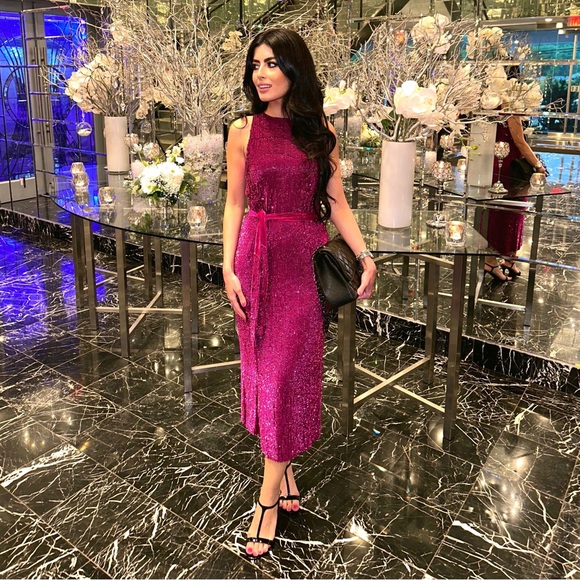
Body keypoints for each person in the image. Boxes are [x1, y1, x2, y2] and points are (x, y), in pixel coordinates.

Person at [222, 28, 376, 559]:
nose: (261, 74)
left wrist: (365, 255)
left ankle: (266, 498)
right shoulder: (242, 130)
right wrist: (227, 267)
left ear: (295, 69)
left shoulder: (320, 131)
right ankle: (283, 471)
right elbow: (234, 204)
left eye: (272, 63)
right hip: (255, 259)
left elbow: (337, 203)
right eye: (255, 64)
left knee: (287, 373)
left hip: (301, 264)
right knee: (265, 374)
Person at [483, 115, 547, 282]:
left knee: (510, 210)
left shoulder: (496, 108)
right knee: (506, 211)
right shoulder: (511, 110)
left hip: (502, 163)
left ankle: (509, 258)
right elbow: (519, 141)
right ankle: (490, 261)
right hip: (508, 166)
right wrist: (538, 165)